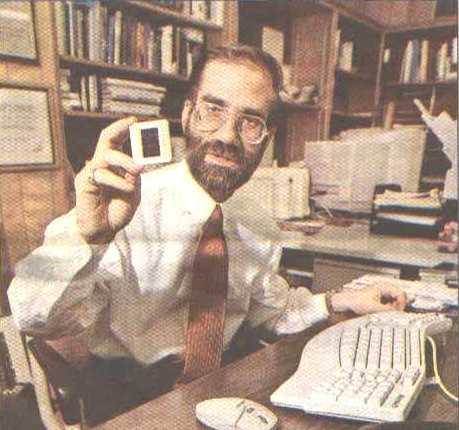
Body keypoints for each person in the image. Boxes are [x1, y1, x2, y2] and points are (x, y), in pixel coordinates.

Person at [8, 45, 406, 405]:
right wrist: (88, 237)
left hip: (223, 390)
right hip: (129, 402)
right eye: (212, 110)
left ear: (267, 136)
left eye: (250, 121)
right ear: (186, 114)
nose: (227, 137)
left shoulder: (257, 223)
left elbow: (270, 313)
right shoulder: (121, 206)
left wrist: (338, 302)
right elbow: (32, 315)